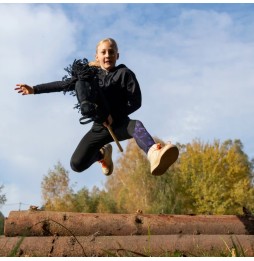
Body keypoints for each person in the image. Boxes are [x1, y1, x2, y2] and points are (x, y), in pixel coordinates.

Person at [15, 37, 179, 176]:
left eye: (111, 52)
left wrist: (114, 115)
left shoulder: (124, 74)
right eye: (103, 52)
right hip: (99, 128)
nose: (108, 55)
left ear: (117, 55)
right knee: (76, 164)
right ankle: (103, 154)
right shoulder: (91, 76)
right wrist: (35, 89)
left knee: (136, 126)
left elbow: (136, 101)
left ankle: (154, 153)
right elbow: (63, 85)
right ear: (97, 56)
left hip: (120, 123)